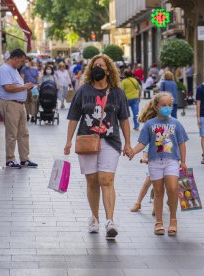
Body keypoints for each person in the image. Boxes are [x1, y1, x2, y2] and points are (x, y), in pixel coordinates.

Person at [64, 54, 132, 239]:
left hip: (110, 141)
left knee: (106, 179)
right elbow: (73, 117)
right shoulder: (83, 91)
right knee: (92, 181)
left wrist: (128, 143)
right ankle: (94, 218)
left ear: (108, 70)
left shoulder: (117, 92)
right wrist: (68, 141)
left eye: (101, 65)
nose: (97, 68)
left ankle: (110, 221)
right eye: (94, 65)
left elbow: (124, 119)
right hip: (87, 140)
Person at [130, 92, 189, 236]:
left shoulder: (176, 123)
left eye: (169, 105)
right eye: (163, 105)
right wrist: (132, 152)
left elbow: (182, 143)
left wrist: (183, 161)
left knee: (173, 188)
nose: (167, 108)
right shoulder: (150, 124)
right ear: (156, 107)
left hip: (172, 161)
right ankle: (159, 222)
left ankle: (173, 220)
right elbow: (142, 143)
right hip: (155, 162)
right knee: (158, 192)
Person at [0, 48, 38, 169]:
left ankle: (24, 159)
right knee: (12, 133)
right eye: (21, 61)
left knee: (23, 133)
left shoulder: (14, 70)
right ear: (15, 59)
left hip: (19, 104)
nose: (22, 64)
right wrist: (24, 86)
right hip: (10, 104)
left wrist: (26, 87)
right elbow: (8, 87)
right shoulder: (4, 69)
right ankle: (10, 159)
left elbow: (16, 85)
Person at [130, 146, 153, 214]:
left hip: (167, 163)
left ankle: (169, 201)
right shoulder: (153, 137)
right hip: (153, 164)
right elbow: (146, 149)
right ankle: (138, 203)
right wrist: (144, 158)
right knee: (147, 183)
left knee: (170, 185)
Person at [20, 57, 39, 123]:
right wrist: (23, 87)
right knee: (26, 102)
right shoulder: (23, 69)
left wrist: (37, 86)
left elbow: (37, 79)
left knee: (33, 102)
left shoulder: (35, 70)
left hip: (34, 88)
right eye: (25, 62)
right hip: (26, 88)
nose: (26, 63)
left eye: (27, 62)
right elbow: (22, 78)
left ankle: (33, 116)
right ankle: (27, 115)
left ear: (30, 62)